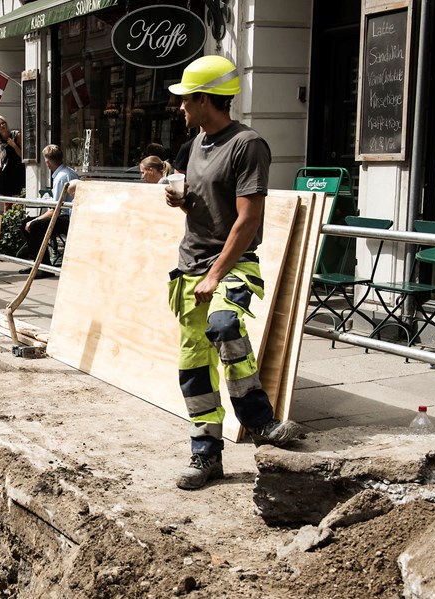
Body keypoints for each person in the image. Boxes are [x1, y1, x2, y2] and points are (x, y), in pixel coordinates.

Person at [164, 55, 300, 491]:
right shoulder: (194, 145)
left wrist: (216, 275)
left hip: (232, 264)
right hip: (189, 267)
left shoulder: (248, 145)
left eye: (186, 99)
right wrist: (181, 202)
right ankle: (206, 453)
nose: (180, 107)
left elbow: (247, 221)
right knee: (194, 367)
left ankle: (259, 420)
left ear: (206, 99)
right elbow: (206, 204)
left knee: (225, 325)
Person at [19, 144, 78, 279]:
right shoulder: (66, 172)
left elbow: (55, 210)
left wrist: (35, 220)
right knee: (25, 223)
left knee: (33, 226)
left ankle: (45, 267)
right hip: (65, 215)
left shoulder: (61, 177)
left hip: (66, 218)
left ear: (47, 162)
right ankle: (37, 262)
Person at [0, 115, 23, 211]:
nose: (1, 126)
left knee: (18, 203)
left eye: (3, 123)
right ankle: (7, 225)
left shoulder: (16, 135)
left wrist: (14, 145)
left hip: (17, 172)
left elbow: (22, 155)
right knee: (6, 204)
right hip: (5, 173)